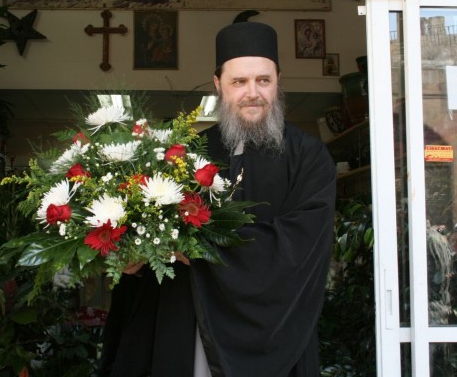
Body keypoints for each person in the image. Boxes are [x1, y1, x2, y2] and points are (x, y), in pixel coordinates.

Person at [100, 21, 337, 377]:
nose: (252, 93)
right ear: (218, 84)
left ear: (278, 81)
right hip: (187, 325)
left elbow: (302, 246)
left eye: (263, 80)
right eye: (239, 82)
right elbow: (151, 231)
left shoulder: (309, 158)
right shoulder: (185, 152)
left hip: (274, 337)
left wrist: (200, 246)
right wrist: (133, 253)